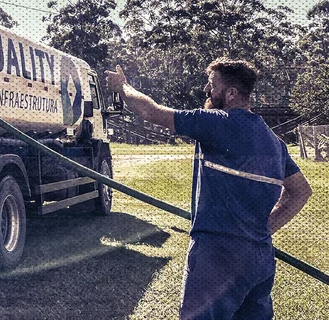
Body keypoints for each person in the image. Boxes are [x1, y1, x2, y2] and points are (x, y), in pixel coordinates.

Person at [105, 58, 312, 319]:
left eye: (212, 84)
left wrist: (123, 86)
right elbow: (302, 190)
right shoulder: (275, 142)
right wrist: (264, 229)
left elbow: (151, 112)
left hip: (216, 255)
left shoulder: (216, 122)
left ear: (231, 93)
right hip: (259, 257)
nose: (206, 90)